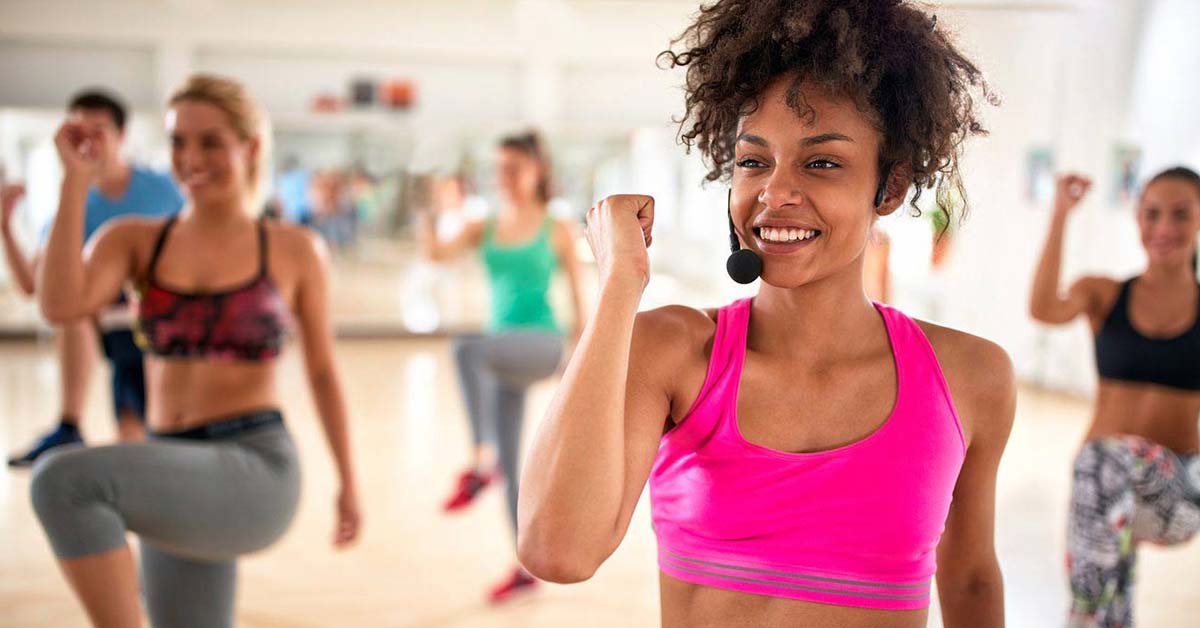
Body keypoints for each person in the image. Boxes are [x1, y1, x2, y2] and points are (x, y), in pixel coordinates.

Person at [517, 2, 1015, 627]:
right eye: (754, 161)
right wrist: (620, 284)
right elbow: (556, 550)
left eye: (822, 162)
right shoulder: (674, 351)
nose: (774, 194)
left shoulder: (971, 376)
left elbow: (970, 580)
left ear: (888, 187)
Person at [30, 73, 360, 628]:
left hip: (253, 465)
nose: (190, 158)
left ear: (250, 148)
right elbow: (60, 305)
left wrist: (348, 481)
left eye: (210, 142)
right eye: (179, 142)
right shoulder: (134, 239)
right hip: (170, 460)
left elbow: (323, 371)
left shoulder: (292, 249)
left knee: (63, 481)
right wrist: (74, 182)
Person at [417, 131, 585, 603]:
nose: (504, 178)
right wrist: (429, 208)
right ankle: (524, 566)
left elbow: (577, 299)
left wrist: (582, 360)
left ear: (537, 171)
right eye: (499, 169)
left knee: (465, 350)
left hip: (541, 344)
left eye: (514, 168)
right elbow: (435, 252)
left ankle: (477, 461)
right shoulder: (484, 225)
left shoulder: (556, 226)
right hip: (501, 354)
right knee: (514, 468)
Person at [1030, 167, 1200, 627]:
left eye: (1180, 215)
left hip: (1177, 494)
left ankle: (1080, 619)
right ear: (1138, 219)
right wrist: (1062, 213)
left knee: (1099, 459)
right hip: (1102, 495)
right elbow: (1044, 308)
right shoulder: (1105, 294)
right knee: (1114, 586)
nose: (1164, 228)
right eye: (1152, 214)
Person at [5, 90, 184, 466]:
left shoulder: (164, 189)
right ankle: (70, 424)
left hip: (163, 318)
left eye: (99, 130)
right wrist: (4, 226)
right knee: (72, 312)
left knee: (144, 436)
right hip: (110, 325)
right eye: (78, 133)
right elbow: (34, 287)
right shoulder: (73, 203)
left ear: (122, 136)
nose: (89, 141)